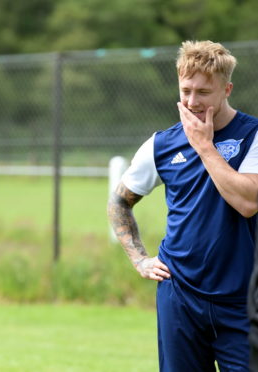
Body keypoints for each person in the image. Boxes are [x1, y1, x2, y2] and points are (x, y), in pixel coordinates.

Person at [108, 40, 258, 371]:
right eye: (185, 90)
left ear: (227, 89)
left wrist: (204, 147)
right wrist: (140, 259)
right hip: (179, 295)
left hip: (243, 300)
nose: (191, 101)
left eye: (203, 92)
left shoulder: (254, 135)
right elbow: (119, 202)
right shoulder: (161, 144)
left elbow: (248, 202)